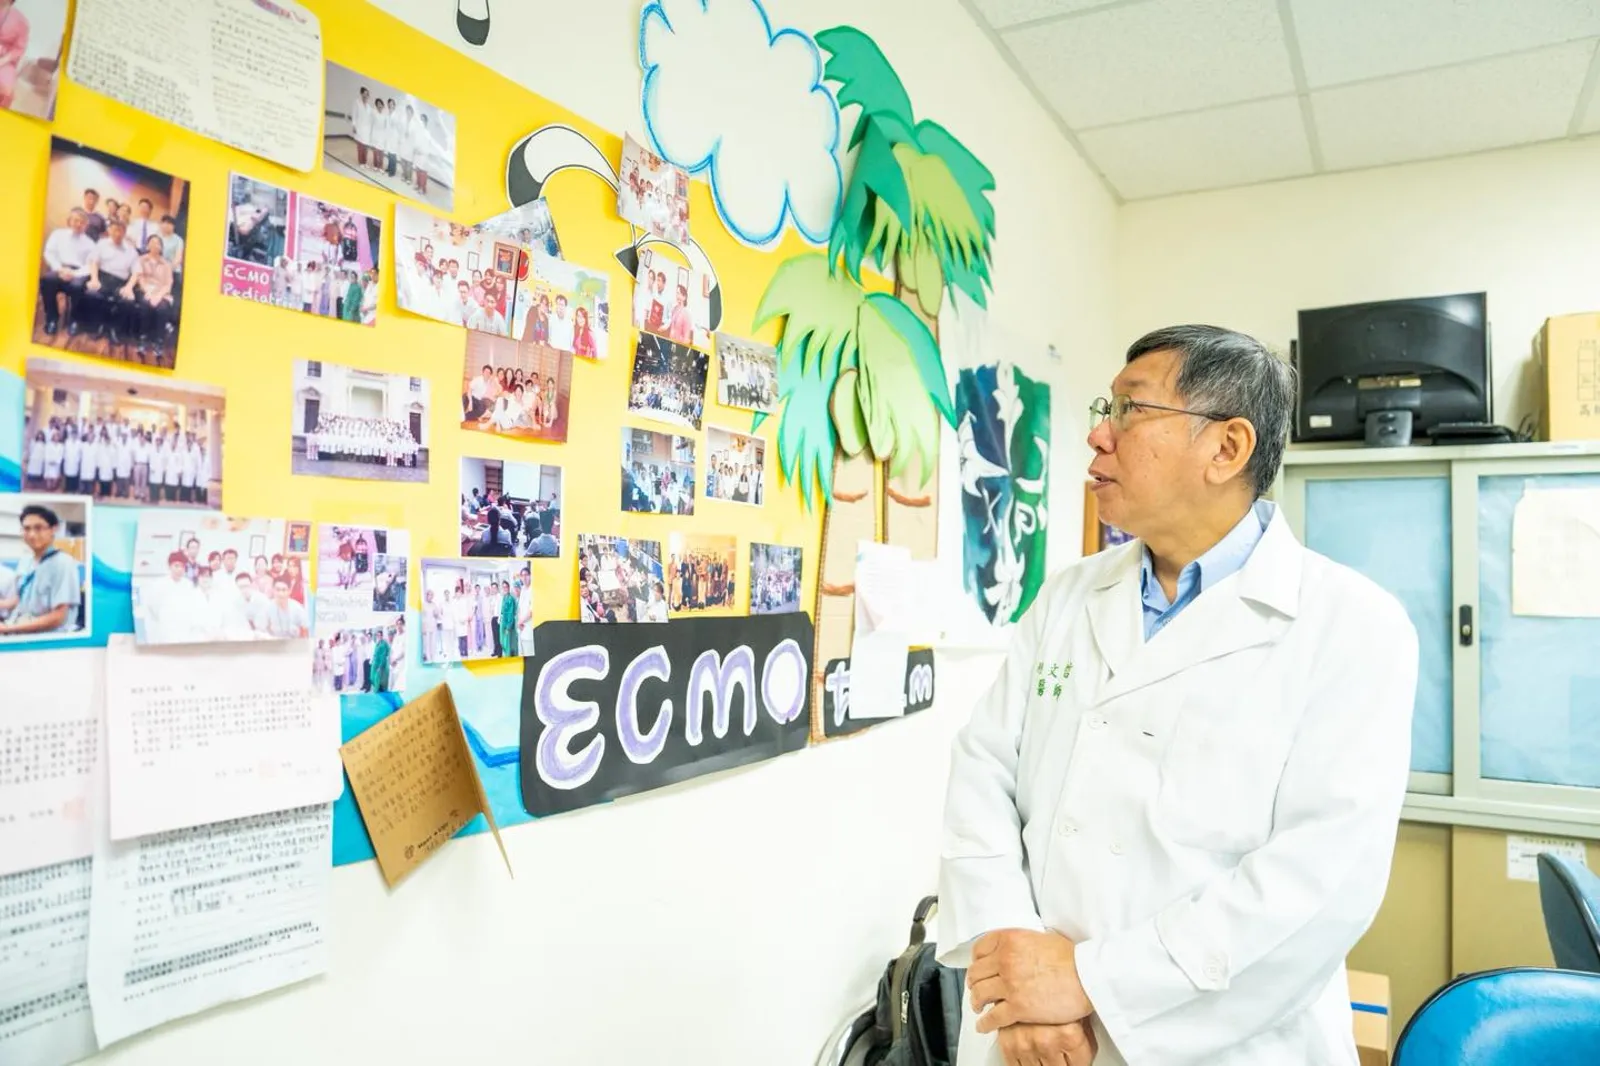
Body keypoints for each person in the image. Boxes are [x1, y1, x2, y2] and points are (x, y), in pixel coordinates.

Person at [939, 326, 1419, 1066]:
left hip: (1220, 1045)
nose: (1098, 434)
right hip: (1026, 1034)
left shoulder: (1353, 626)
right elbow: (983, 772)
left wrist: (1087, 982)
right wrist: (1016, 973)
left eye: (1129, 410)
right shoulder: (1068, 595)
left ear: (1226, 448)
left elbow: (1318, 885)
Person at [0, 504, 83, 638]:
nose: (32, 534)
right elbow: (19, 599)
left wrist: (9, 628)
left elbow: (58, 617)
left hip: (46, 638)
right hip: (18, 629)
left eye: (38, 528)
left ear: (53, 529)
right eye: (27, 529)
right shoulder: (25, 561)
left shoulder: (64, 564)